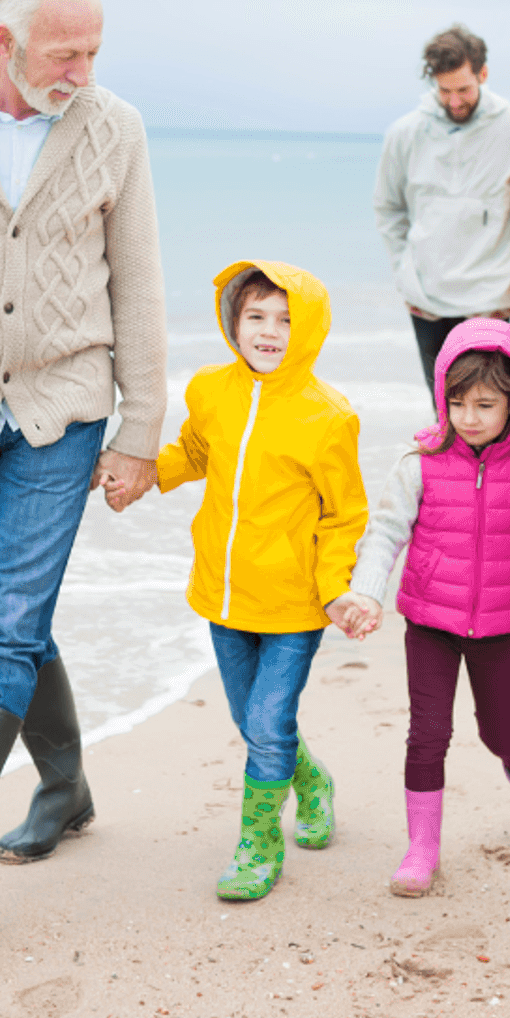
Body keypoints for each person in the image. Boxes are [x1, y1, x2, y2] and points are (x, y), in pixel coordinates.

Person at [0, 0, 168, 932]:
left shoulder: (115, 130)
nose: (81, 73)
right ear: (5, 40)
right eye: (62, 54)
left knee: (4, 630)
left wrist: (140, 427)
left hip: (64, 407)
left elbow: (137, 281)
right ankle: (65, 787)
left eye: (93, 51)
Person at [331, 319, 510, 897]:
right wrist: (366, 592)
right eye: (456, 403)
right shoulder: (419, 460)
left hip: (501, 624)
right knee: (427, 735)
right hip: (429, 619)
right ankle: (422, 848)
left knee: (499, 731)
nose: (468, 417)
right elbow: (384, 534)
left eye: (484, 404)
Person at [145, 261, 367, 900]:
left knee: (267, 724)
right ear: (233, 321)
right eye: (257, 316)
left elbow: (343, 514)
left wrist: (334, 588)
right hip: (223, 592)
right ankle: (313, 780)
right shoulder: (211, 391)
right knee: (253, 720)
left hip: (295, 605)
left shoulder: (328, 417)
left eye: (287, 320)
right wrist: (141, 477)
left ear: (311, 329)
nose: (271, 332)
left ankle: (258, 846)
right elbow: (193, 454)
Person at [373, 25, 510, 392]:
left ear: (483, 74)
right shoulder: (405, 132)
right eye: (445, 90)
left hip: (490, 298)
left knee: (490, 410)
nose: (454, 101)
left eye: (464, 90)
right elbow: (388, 208)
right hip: (426, 296)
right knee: (445, 413)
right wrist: (404, 271)